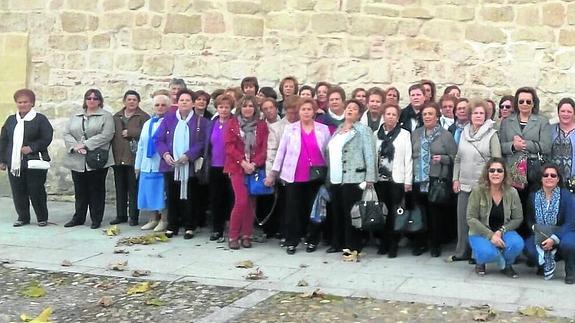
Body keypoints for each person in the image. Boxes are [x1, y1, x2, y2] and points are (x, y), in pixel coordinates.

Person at [269, 98, 330, 254]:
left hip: (316, 175)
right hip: (294, 175)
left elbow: (328, 152)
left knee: (314, 209)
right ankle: (292, 241)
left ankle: (312, 239)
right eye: (303, 109)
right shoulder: (291, 129)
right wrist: (273, 172)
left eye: (309, 109)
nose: (306, 112)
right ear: (299, 112)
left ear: (314, 111)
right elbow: (281, 151)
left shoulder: (323, 129)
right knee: (293, 209)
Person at [450, 100, 501, 262]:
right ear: (470, 116)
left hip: (483, 185)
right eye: (475, 113)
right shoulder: (464, 133)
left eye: (481, 113)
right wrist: (455, 179)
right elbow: (458, 158)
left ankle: (477, 253)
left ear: (486, 116)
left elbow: (497, 161)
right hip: (464, 183)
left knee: (479, 222)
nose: (478, 116)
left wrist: (492, 183)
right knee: (463, 220)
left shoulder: (492, 135)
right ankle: (461, 252)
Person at [155, 89, 208, 239]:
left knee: (190, 196)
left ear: (193, 104)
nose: (184, 102)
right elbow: (159, 140)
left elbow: (202, 142)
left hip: (189, 166)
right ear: (177, 103)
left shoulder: (201, 122)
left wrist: (188, 155)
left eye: (187, 100)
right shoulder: (168, 119)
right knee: (171, 196)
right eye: (181, 100)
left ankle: (190, 226)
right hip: (171, 165)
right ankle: (172, 225)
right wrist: (165, 154)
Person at [327, 99, 377, 258]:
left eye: (354, 109)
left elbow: (370, 154)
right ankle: (338, 242)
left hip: (354, 177)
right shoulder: (339, 129)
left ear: (359, 113)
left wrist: (370, 177)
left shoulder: (363, 130)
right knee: (337, 211)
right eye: (348, 108)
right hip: (336, 177)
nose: (350, 110)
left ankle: (353, 245)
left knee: (353, 213)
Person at [500, 87, 552, 233]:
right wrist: (513, 146)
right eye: (521, 101)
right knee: (515, 205)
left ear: (533, 103)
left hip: (533, 170)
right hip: (513, 170)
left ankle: (531, 239)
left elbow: (546, 146)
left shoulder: (542, 121)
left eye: (528, 101)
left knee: (532, 205)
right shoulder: (506, 122)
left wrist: (525, 144)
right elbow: (500, 146)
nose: (524, 104)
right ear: (517, 103)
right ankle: (515, 239)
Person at [0, 89, 53, 227]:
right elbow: (4, 140)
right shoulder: (11, 120)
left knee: (36, 190)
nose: (22, 104)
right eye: (20, 102)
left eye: (25, 102)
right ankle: (23, 217)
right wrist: (2, 160)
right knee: (18, 191)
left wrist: (32, 147)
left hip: (34, 162)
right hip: (15, 162)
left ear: (32, 103)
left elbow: (47, 137)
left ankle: (42, 217)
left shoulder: (40, 119)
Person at [62, 89, 114, 229]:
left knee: (96, 190)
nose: (92, 100)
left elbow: (107, 135)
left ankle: (96, 219)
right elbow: (66, 133)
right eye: (89, 98)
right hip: (77, 158)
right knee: (80, 190)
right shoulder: (76, 116)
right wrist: (76, 147)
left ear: (100, 100)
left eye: (95, 98)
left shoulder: (106, 116)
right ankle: (78, 217)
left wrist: (86, 144)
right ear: (85, 100)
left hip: (96, 158)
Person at [411, 102, 457, 257]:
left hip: (436, 179)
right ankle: (420, 243)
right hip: (418, 178)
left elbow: (455, 157)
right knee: (420, 212)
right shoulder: (416, 134)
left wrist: (443, 158)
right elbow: (411, 155)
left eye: (430, 114)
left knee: (435, 214)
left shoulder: (446, 135)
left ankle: (435, 244)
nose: (427, 117)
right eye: (424, 114)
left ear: (437, 116)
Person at [467, 158, 524, 278]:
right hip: (481, 232)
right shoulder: (478, 191)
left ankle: (507, 265)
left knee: (517, 244)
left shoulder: (512, 192)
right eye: (492, 170)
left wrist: (500, 231)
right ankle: (482, 261)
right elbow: (471, 218)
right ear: (487, 173)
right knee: (487, 252)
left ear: (505, 173)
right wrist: (490, 235)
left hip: (504, 230)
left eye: (499, 170)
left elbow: (518, 218)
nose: (495, 173)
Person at [224, 95, 268, 249]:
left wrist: (255, 164)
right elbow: (229, 147)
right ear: (240, 108)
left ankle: (247, 234)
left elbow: (264, 148)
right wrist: (242, 162)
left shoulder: (261, 125)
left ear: (255, 108)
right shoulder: (232, 123)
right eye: (245, 106)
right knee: (241, 200)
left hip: (254, 168)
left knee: (251, 203)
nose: (248, 109)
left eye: (251, 106)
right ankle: (233, 235)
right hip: (237, 168)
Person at [524, 164, 575, 283]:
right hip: (541, 234)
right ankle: (542, 265)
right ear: (541, 178)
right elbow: (530, 219)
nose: (549, 177)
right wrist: (539, 234)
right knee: (528, 247)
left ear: (558, 179)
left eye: (553, 175)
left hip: (562, 233)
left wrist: (554, 238)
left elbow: (570, 222)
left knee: (569, 243)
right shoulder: (533, 196)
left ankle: (570, 271)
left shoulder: (566, 196)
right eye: (545, 175)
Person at [374, 102, 412, 258]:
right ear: (384, 115)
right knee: (382, 212)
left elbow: (408, 159)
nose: (390, 117)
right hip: (380, 180)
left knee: (395, 214)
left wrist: (407, 181)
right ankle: (383, 242)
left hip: (396, 180)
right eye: (388, 114)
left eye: (394, 114)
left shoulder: (404, 134)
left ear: (398, 117)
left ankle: (393, 245)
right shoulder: (376, 134)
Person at [110, 90, 150, 226]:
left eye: (134, 100)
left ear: (138, 102)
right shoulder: (116, 116)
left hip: (134, 158)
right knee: (120, 188)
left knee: (133, 189)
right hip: (118, 157)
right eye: (129, 99)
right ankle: (120, 215)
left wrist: (132, 132)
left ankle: (134, 216)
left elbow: (147, 134)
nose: (131, 102)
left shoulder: (144, 117)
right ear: (124, 101)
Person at [265, 96, 300, 240]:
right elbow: (271, 152)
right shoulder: (277, 128)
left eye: (295, 113)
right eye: (289, 112)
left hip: (301, 172)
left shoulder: (304, 125)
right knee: (285, 204)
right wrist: (270, 174)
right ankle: (285, 232)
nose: (292, 116)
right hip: (283, 173)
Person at [135, 94, 169, 231]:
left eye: (163, 105)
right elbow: (141, 146)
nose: (160, 107)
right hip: (146, 164)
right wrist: (138, 166)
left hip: (160, 164)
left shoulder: (169, 122)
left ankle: (164, 219)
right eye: (157, 105)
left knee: (161, 193)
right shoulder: (148, 123)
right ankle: (152, 218)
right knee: (148, 192)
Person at [205, 94, 235, 242]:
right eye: (221, 107)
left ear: (231, 108)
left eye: (227, 107)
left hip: (230, 167)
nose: (224, 110)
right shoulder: (212, 123)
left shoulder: (235, 123)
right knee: (216, 198)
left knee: (231, 198)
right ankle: (217, 229)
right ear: (217, 108)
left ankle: (231, 227)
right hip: (214, 166)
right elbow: (207, 145)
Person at [550, 98, 575, 183]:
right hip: (553, 180)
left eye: (569, 111)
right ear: (558, 113)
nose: (565, 114)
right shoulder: (550, 130)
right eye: (563, 111)